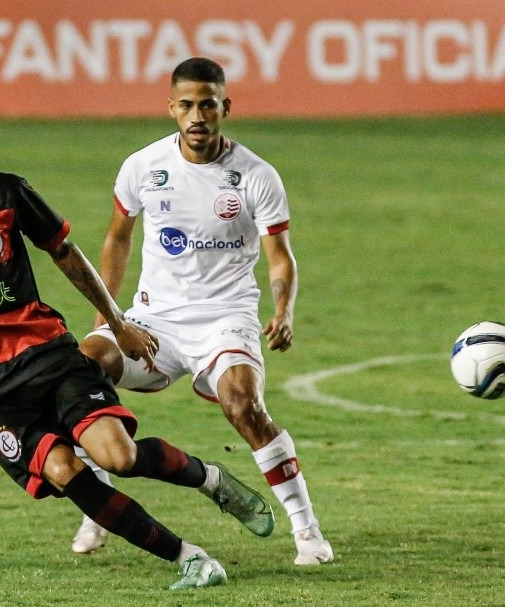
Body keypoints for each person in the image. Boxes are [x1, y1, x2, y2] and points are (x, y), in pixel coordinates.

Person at [0, 81, 278, 590]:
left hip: (44, 354)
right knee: (64, 473)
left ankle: (209, 478)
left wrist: (116, 322)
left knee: (118, 457)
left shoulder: (7, 192)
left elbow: (67, 254)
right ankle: (190, 558)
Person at [71, 58, 334, 566]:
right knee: (78, 370)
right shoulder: (144, 167)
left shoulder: (256, 176)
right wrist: (109, 318)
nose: (197, 115)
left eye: (208, 104)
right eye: (187, 105)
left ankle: (308, 533)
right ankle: (96, 507)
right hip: (154, 321)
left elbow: (281, 257)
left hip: (224, 318)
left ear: (224, 108)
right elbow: (117, 238)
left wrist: (284, 309)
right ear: (171, 108)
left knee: (244, 405)